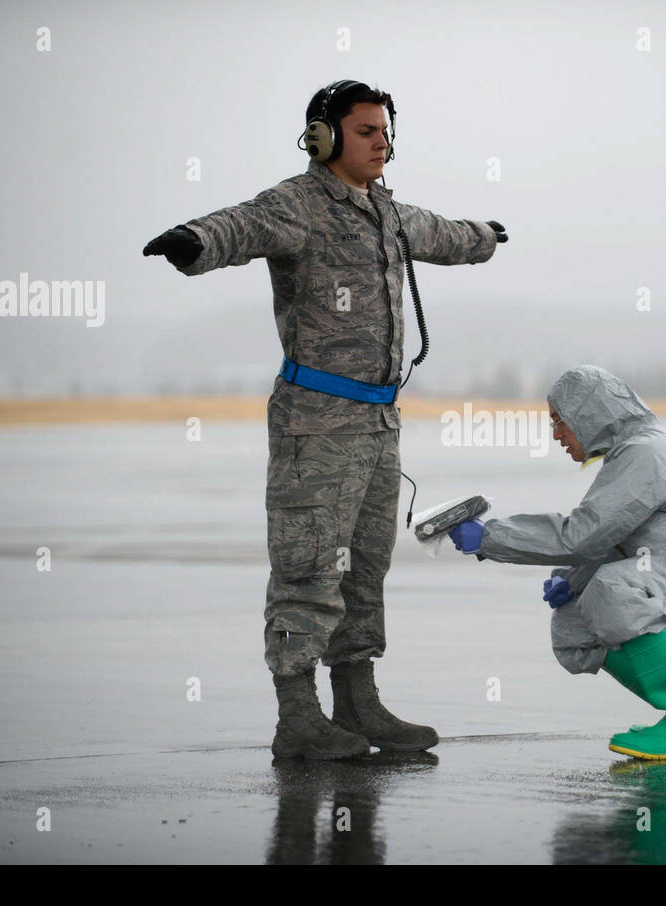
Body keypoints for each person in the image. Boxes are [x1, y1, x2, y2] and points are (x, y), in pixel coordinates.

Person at [143, 80, 507, 760]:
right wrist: (194, 241)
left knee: (364, 569)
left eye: (385, 130)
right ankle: (298, 717)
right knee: (308, 569)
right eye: (366, 131)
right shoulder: (298, 205)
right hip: (317, 420)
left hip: (377, 424)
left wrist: (482, 237)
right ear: (325, 138)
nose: (382, 143)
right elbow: (239, 225)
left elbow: (441, 234)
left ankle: (358, 703)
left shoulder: (387, 213)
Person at [448, 365, 666, 760]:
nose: (555, 435)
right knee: (575, 623)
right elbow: (619, 535)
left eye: (559, 422)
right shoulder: (650, 447)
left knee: (613, 589)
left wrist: (488, 537)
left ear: (589, 413)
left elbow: (583, 534)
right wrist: (572, 580)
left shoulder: (646, 454)